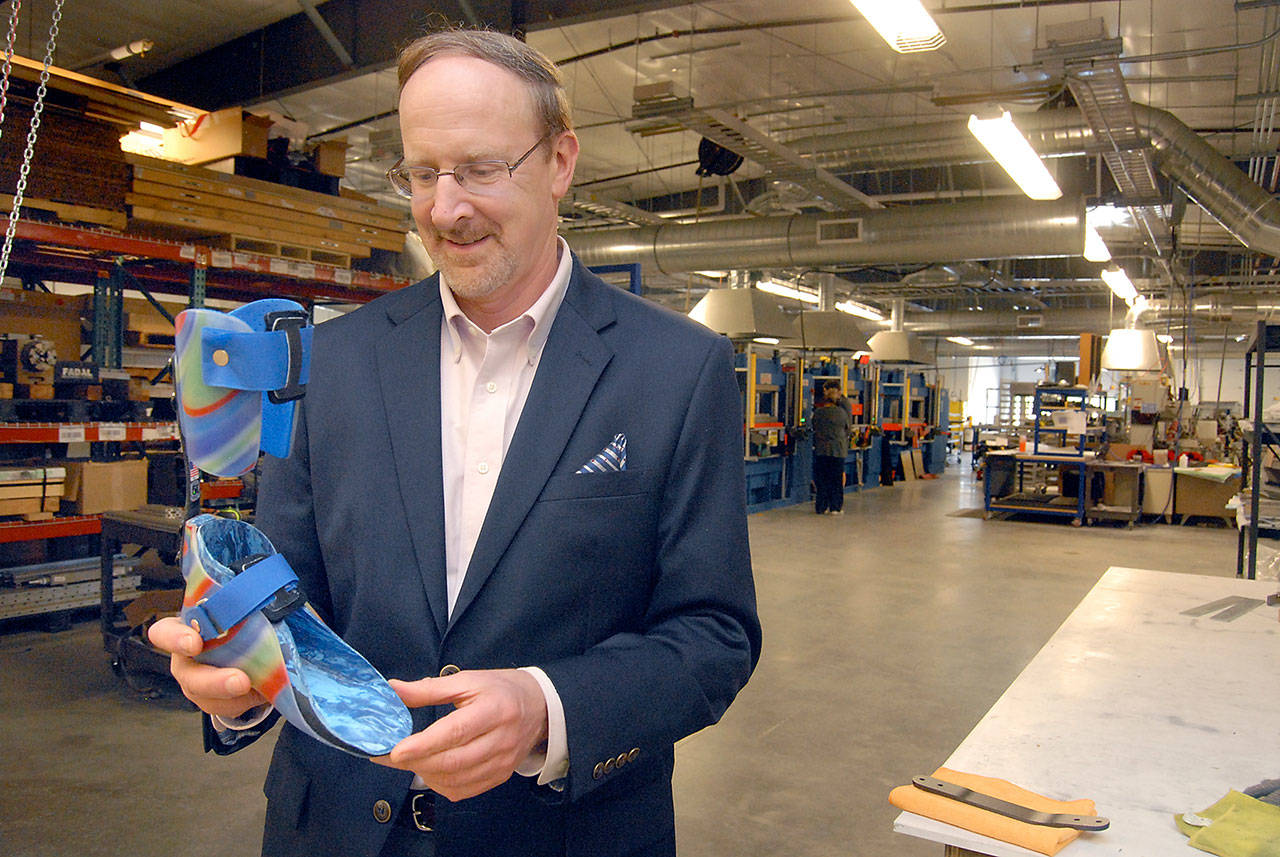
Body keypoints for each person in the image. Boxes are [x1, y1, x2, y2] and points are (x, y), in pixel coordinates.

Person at [149, 28, 761, 857]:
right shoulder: (332, 360)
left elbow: (715, 632)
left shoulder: (678, 369)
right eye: (422, 172)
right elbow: (286, 596)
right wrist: (238, 678)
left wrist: (547, 706)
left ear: (561, 162)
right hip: (334, 832)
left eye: (479, 169)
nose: (445, 209)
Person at [811, 379, 853, 515]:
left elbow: (814, 427)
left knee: (822, 479)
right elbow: (848, 429)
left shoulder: (818, 412)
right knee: (836, 480)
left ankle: (821, 507)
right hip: (838, 450)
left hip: (821, 450)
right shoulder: (842, 413)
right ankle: (835, 507)